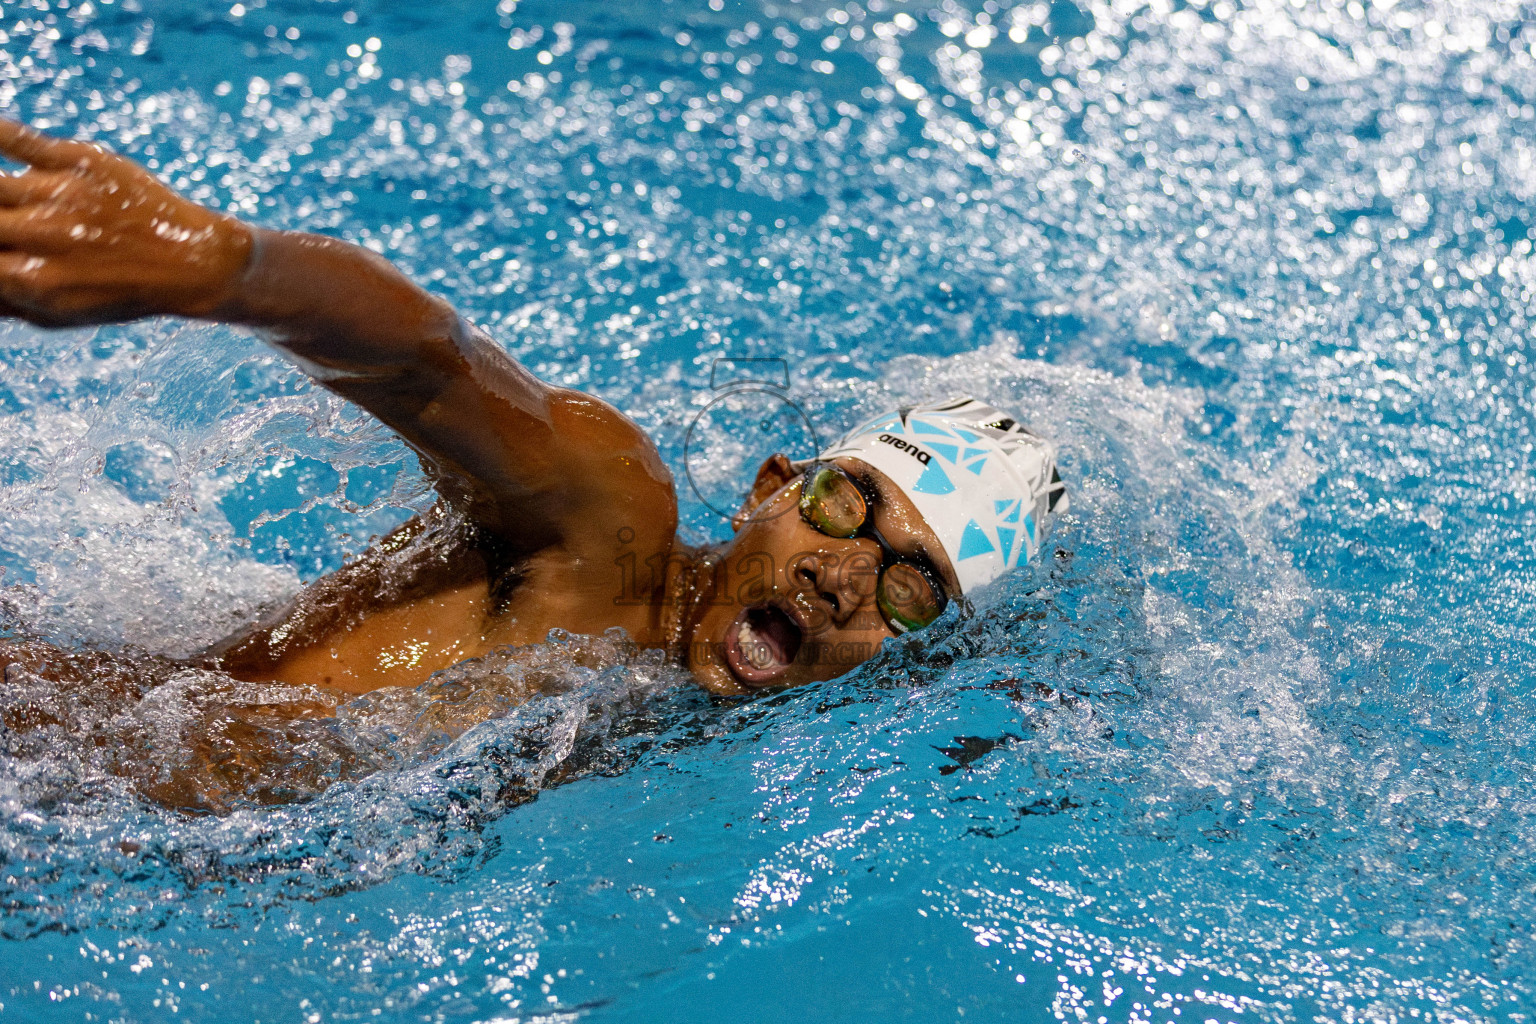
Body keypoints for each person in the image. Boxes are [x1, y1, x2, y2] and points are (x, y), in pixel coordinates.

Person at [0, 119, 1067, 704]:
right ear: (770, 490)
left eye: (910, 583)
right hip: (62, 768)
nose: (842, 579)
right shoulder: (609, 526)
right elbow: (432, 363)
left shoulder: (699, 692)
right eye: (847, 507)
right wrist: (224, 265)